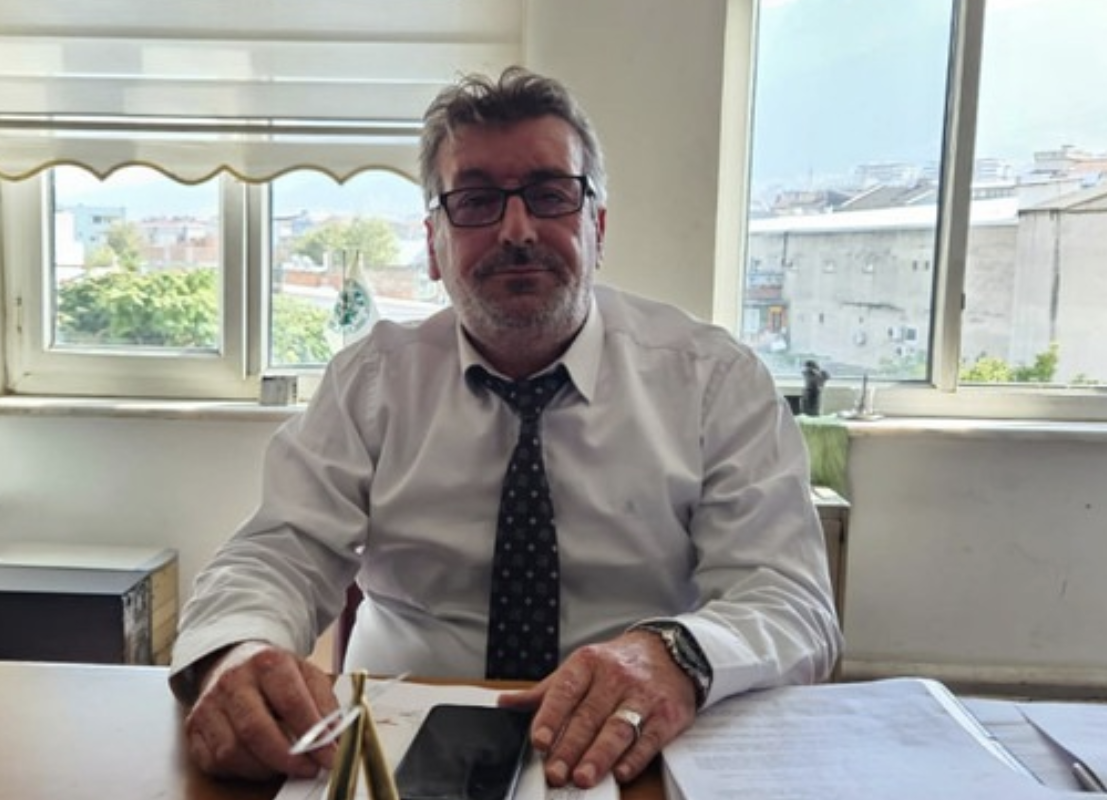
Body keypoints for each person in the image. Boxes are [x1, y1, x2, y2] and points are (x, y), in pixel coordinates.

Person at [170, 66, 841, 789]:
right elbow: (278, 552)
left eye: (551, 195)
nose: (517, 230)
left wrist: (677, 655)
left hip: (633, 742)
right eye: (476, 201)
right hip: (397, 744)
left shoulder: (714, 381)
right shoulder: (371, 382)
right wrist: (238, 649)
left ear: (597, 227)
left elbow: (788, 598)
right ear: (434, 244)